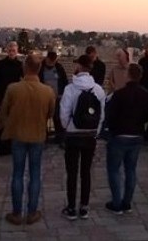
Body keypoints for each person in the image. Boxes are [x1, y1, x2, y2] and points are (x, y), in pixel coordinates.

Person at [1, 55, 56, 225]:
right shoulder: (47, 91)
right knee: (35, 174)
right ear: (39, 69)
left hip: (18, 135)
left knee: (17, 174)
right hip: (37, 135)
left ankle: (17, 213)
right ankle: (32, 212)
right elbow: (50, 114)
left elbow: (4, 111)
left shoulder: (13, 88)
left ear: (25, 68)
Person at [60, 54, 106, 220]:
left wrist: (68, 128)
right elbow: (101, 116)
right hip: (90, 136)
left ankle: (71, 208)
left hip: (73, 135)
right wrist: (96, 132)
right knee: (86, 172)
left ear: (79, 66)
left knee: (72, 172)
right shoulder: (98, 90)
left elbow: (64, 114)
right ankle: (84, 207)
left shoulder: (70, 89)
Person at [105, 64, 148, 214]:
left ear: (128, 75)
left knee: (114, 170)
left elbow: (110, 115)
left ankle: (116, 202)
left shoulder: (119, 94)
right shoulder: (146, 94)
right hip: (136, 135)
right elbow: (147, 116)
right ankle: (127, 202)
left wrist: (111, 131)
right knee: (131, 170)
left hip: (119, 135)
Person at [0, 41, 24, 155]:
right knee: (1, 122)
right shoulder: (0, 64)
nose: (11, 52)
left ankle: (12, 145)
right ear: (7, 51)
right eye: (10, 50)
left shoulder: (20, 65)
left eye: (13, 51)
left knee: (14, 122)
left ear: (17, 51)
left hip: (15, 99)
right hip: (2, 97)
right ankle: (1, 145)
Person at [39, 51, 68, 143]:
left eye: (54, 61)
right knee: (42, 119)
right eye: (50, 61)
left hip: (57, 98)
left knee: (57, 118)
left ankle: (59, 138)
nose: (52, 63)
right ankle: (43, 138)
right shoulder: (40, 68)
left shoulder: (59, 68)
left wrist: (62, 94)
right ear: (46, 58)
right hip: (43, 98)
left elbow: (64, 81)